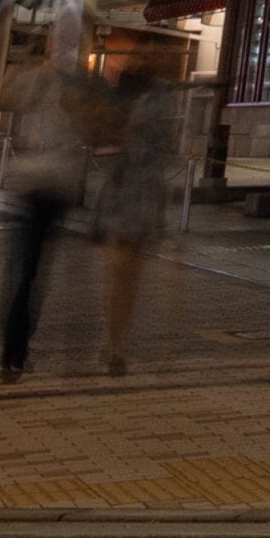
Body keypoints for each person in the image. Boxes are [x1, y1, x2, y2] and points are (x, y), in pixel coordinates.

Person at [0, 30, 102, 380]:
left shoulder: (32, 78)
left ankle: (13, 351)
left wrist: (13, 75)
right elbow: (90, 126)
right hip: (51, 182)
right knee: (32, 272)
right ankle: (15, 351)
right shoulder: (69, 83)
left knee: (22, 270)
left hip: (29, 181)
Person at [93, 64, 184, 375]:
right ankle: (116, 342)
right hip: (125, 189)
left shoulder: (161, 99)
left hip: (141, 191)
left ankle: (117, 341)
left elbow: (166, 147)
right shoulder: (124, 101)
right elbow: (103, 134)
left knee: (127, 274)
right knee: (121, 271)